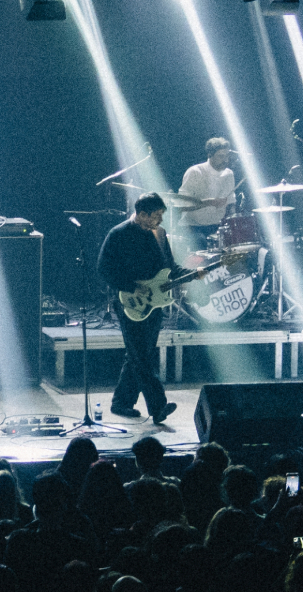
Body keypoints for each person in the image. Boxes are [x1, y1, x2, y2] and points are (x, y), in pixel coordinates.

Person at [98, 192, 178, 425]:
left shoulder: (159, 235)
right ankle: (158, 407)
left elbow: (170, 267)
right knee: (141, 356)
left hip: (155, 303)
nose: (160, 220)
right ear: (142, 214)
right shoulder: (118, 234)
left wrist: (194, 273)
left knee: (139, 354)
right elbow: (103, 268)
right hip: (128, 302)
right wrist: (131, 287)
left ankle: (121, 402)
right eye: (156, 215)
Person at [176, 137, 237, 251]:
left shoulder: (229, 174)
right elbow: (181, 204)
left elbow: (231, 203)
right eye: (221, 156)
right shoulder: (195, 172)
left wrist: (233, 224)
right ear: (210, 155)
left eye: (227, 156)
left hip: (216, 226)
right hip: (193, 228)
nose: (225, 160)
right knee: (201, 246)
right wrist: (209, 202)